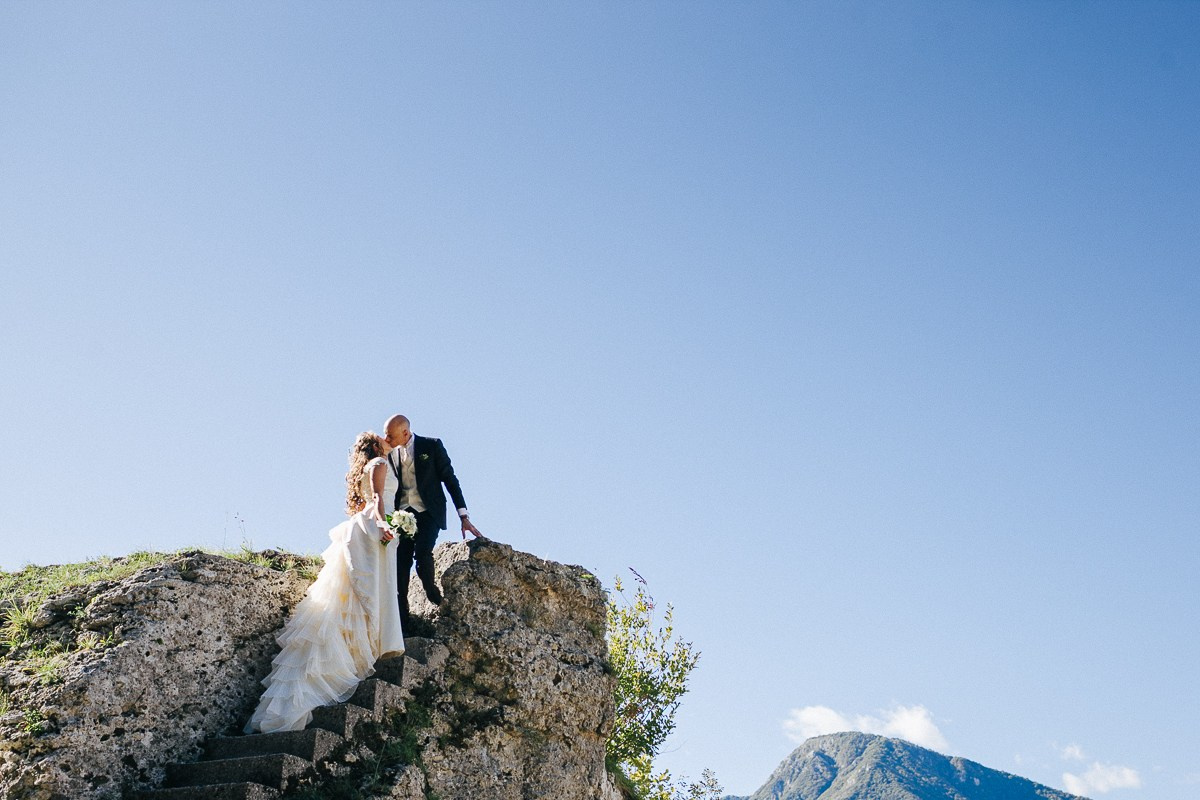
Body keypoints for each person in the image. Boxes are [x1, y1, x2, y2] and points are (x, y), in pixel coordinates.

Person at [245, 432, 405, 734]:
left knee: (348, 595)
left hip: (361, 529)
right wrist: (384, 524)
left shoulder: (366, 468)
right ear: (374, 446)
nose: (388, 441)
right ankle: (351, 658)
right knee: (364, 594)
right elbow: (378, 499)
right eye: (381, 439)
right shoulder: (381, 463)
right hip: (373, 530)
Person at [382, 414, 484, 630]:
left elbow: (450, 479)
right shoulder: (390, 455)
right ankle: (403, 620)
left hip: (429, 512)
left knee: (423, 552)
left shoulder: (432, 445)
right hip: (403, 515)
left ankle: (432, 592)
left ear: (405, 433)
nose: (386, 439)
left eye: (390, 435)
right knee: (400, 565)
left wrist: (463, 516)